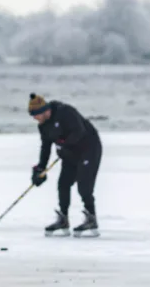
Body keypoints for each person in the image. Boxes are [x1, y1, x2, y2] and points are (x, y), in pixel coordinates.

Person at [28, 93, 102, 237]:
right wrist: (40, 169)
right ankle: (63, 219)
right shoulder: (43, 126)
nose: (34, 118)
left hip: (89, 149)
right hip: (69, 153)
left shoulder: (65, 112)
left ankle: (91, 218)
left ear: (45, 111)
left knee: (84, 186)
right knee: (63, 183)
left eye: (36, 114)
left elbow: (79, 131)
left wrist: (63, 144)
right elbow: (46, 147)